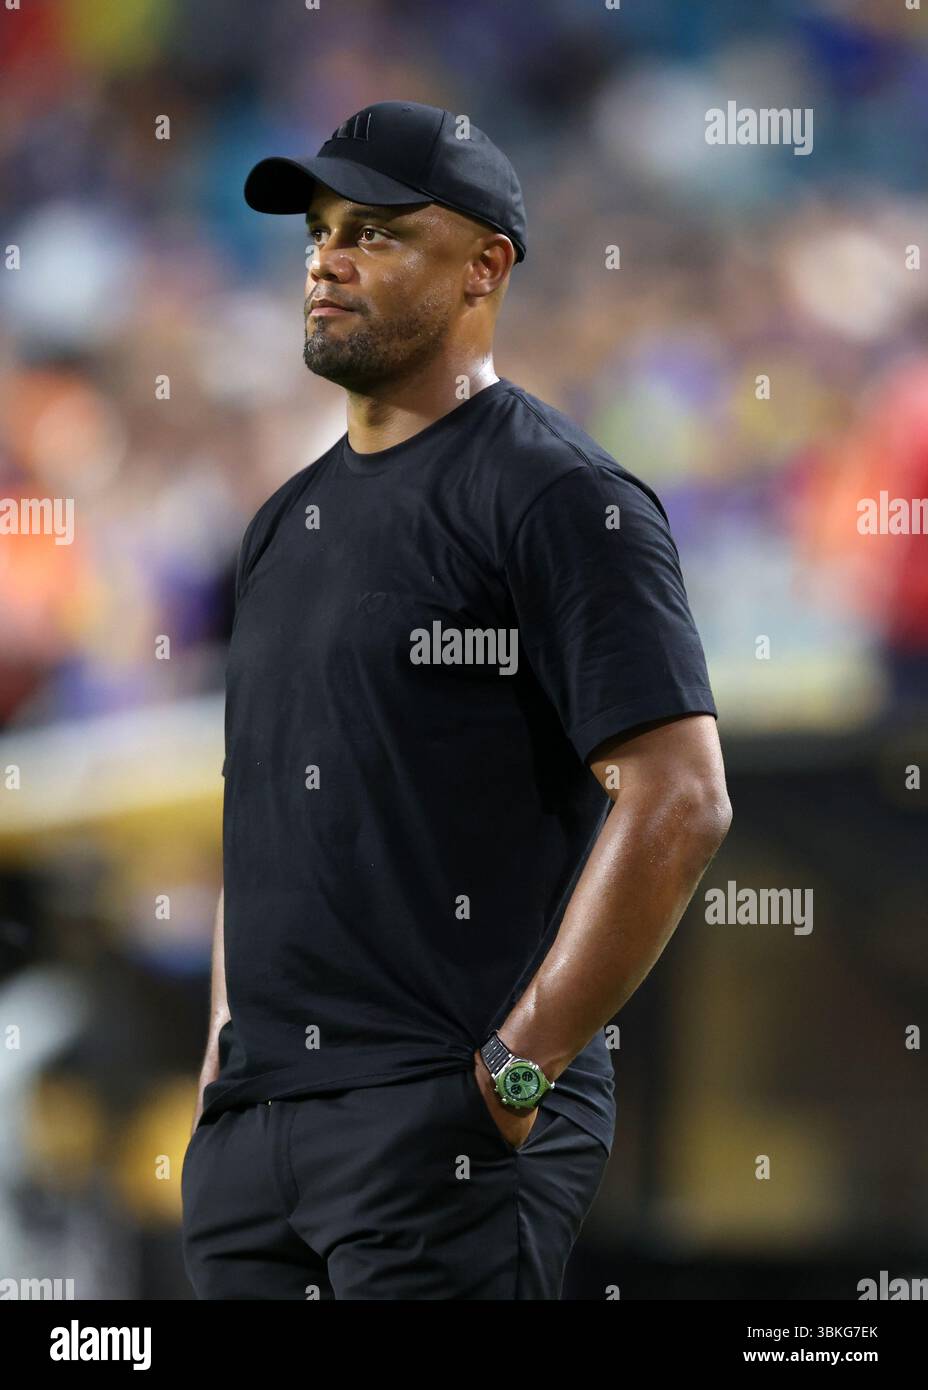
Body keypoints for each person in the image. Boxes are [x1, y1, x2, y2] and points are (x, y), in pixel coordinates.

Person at [181, 100, 732, 1301]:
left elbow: (679, 799)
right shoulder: (282, 523)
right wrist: (228, 1071)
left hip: (446, 1121)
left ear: (486, 266)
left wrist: (512, 1079)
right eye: (321, 231)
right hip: (258, 1136)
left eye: (376, 232)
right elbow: (257, 819)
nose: (328, 257)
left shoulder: (557, 494)